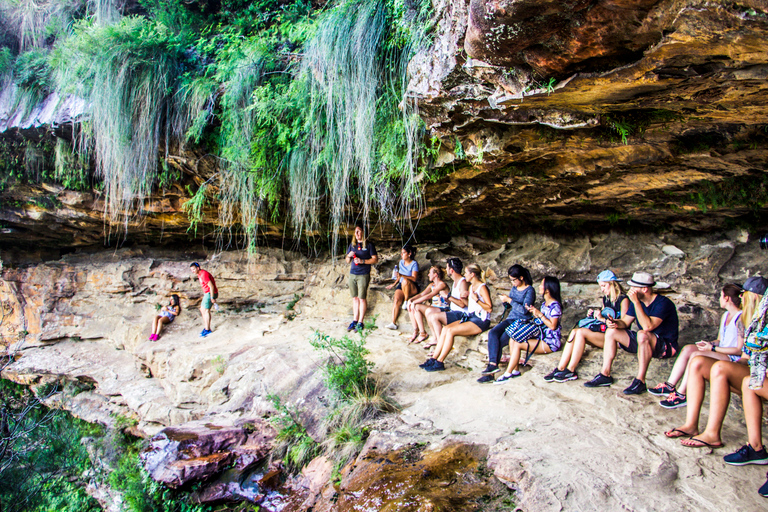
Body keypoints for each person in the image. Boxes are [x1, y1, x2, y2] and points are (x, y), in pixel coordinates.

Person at [664, 277, 767, 448]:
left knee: (720, 368)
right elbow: (746, 357)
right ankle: (691, 425)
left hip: (760, 376)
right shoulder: (752, 321)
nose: (741, 298)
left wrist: (720, 355)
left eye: (744, 295)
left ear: (755, 297)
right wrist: (735, 364)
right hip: (751, 371)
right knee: (698, 362)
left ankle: (712, 434)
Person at [649, 284, 744, 409]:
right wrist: (709, 344)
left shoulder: (741, 318)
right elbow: (720, 340)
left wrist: (713, 349)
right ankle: (669, 386)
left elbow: (738, 350)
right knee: (689, 348)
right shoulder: (725, 315)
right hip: (721, 351)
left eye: (721, 296)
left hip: (732, 358)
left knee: (696, 355)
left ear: (726, 298)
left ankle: (681, 395)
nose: (720, 299)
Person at [584, 271, 679, 395]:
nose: (630, 290)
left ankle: (640, 381)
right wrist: (615, 323)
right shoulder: (636, 303)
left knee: (642, 334)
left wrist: (636, 302)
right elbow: (625, 322)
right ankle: (605, 374)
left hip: (665, 346)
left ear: (644, 289)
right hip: (644, 343)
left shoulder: (662, 303)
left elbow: (648, 326)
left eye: (634, 287)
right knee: (611, 332)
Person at [545, 270, 628, 383]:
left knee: (581, 332)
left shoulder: (624, 300)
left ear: (612, 283)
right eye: (601, 286)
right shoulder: (606, 298)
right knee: (574, 331)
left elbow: (624, 323)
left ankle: (571, 370)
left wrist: (602, 319)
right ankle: (560, 368)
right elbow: (603, 316)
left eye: (604, 286)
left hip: (615, 338)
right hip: (604, 333)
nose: (602, 289)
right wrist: (595, 314)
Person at [420, 264, 492, 372]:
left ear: (472, 275)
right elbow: (471, 306)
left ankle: (440, 361)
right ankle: (433, 358)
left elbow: (489, 308)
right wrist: (465, 299)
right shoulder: (471, 287)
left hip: (481, 320)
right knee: (445, 329)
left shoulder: (482, 287)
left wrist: (477, 300)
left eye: (466, 273)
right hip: (472, 317)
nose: (464, 274)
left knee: (450, 331)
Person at [494, 276, 563, 382]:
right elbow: (542, 321)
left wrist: (540, 315)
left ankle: (507, 373)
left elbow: (552, 326)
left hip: (550, 342)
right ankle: (515, 370)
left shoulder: (555, 306)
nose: (539, 287)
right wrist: (535, 312)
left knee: (517, 344)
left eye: (541, 285)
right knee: (512, 338)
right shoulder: (545, 304)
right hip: (541, 336)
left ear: (548, 289)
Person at [481, 265, 535, 376]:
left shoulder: (530, 290)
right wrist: (505, 302)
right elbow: (511, 306)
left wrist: (509, 300)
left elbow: (524, 311)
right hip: (511, 318)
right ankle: (492, 365)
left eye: (514, 280)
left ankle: (491, 373)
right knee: (493, 333)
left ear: (521, 277)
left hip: (522, 321)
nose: (512, 283)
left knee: (500, 341)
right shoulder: (515, 288)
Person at [424, 258, 470, 346]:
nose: (446, 270)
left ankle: (439, 344)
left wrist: (449, 296)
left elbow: (462, 304)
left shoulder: (462, 283)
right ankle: (436, 339)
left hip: (462, 314)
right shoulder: (455, 282)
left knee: (434, 317)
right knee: (430, 313)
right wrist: (447, 299)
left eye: (447, 268)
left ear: (451, 270)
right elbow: (455, 301)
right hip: (454, 311)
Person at [345, 223, 378, 333]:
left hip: (363, 274)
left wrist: (363, 261)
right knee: (354, 298)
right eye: (356, 232)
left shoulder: (368, 245)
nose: (357, 233)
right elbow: (347, 260)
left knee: (362, 298)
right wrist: (349, 256)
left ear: (363, 232)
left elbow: (375, 259)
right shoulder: (352, 245)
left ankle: (360, 321)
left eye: (359, 231)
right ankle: (354, 320)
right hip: (353, 273)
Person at [404, 266, 449, 343]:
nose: (428, 275)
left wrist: (415, 301)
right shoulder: (431, 285)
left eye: (430, 273)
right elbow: (422, 294)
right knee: (415, 307)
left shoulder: (442, 285)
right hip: (434, 308)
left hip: (443, 308)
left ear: (435, 274)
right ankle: (421, 332)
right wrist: (410, 300)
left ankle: (433, 338)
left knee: (416, 305)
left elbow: (429, 295)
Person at [385, 244, 419, 330]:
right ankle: (393, 323)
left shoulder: (414, 264)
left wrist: (402, 276)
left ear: (409, 253)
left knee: (405, 281)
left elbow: (414, 278)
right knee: (396, 300)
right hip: (402, 284)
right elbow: (399, 276)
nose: (401, 255)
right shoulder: (401, 262)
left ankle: (406, 301)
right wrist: (393, 284)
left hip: (411, 286)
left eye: (403, 253)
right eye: (401, 253)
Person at [190, 262, 218, 337]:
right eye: (191, 270)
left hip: (210, 293)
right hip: (207, 293)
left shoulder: (203, 274)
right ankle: (206, 327)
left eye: (193, 269)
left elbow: (211, 286)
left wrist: (212, 297)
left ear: (198, 268)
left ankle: (207, 329)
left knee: (206, 310)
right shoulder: (200, 274)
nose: (192, 271)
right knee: (202, 309)